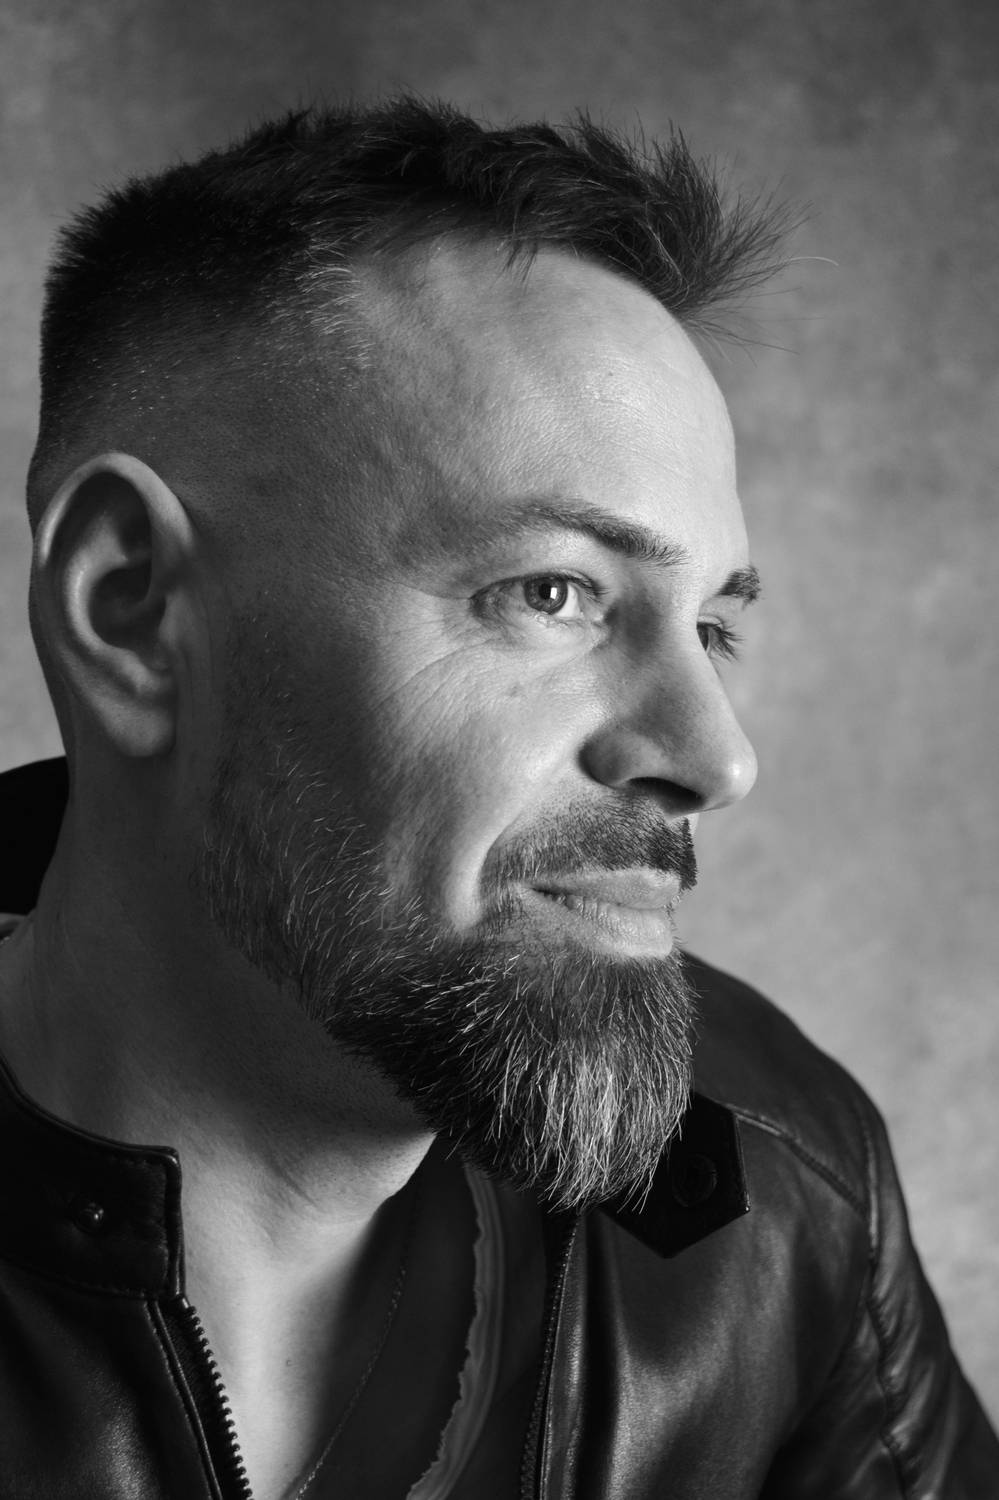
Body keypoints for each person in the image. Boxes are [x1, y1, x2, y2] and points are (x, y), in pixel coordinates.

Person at [0, 97, 994, 1500]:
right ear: (133, 611)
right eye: (556, 593)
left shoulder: (788, 1195)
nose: (715, 759)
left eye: (712, 625)